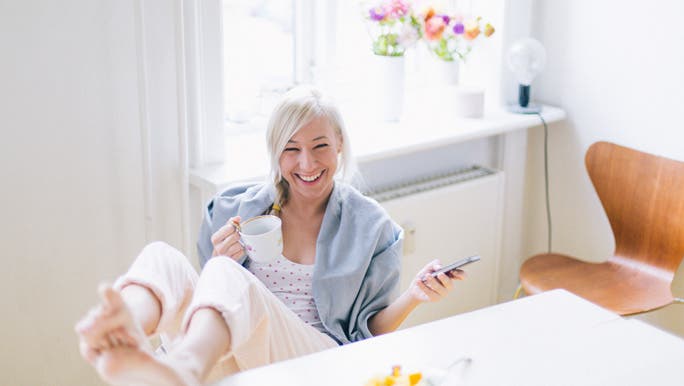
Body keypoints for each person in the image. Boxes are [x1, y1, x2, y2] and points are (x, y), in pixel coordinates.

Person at [75, 86, 465, 386]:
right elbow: (211, 302)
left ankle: (183, 367)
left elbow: (368, 332)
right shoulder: (236, 209)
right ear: (275, 154)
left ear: (340, 146)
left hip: (316, 360)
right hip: (239, 352)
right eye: (291, 149)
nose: (307, 163)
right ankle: (124, 331)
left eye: (320, 147)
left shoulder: (371, 227)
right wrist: (219, 261)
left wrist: (414, 295)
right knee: (163, 256)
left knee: (229, 276)